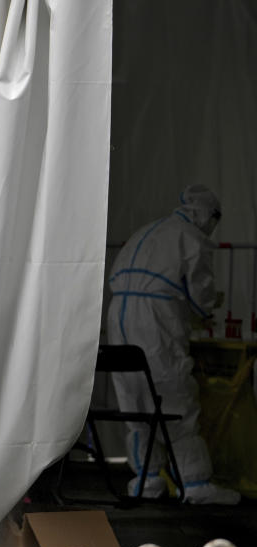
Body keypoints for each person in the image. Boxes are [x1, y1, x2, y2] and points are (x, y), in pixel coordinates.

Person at [106, 184, 239, 505]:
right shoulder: (191, 238)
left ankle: (146, 479)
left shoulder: (147, 231)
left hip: (118, 315)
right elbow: (201, 295)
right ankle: (193, 483)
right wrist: (207, 310)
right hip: (154, 319)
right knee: (172, 391)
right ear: (208, 214)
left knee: (134, 395)